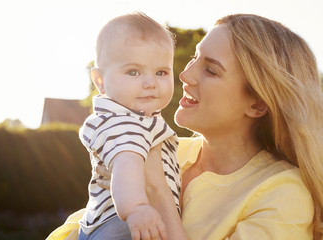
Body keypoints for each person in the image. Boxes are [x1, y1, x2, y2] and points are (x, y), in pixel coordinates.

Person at [46, 13, 323, 240]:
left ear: (257, 105)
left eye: (211, 70)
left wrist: (158, 193)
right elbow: (82, 228)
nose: (185, 74)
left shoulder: (283, 193)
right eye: (194, 57)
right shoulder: (166, 148)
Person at [76, 12, 180, 240]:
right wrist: (137, 208)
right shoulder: (125, 122)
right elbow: (127, 165)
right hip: (120, 226)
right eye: (133, 72)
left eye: (161, 72)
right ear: (100, 81)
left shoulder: (135, 118)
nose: (150, 83)